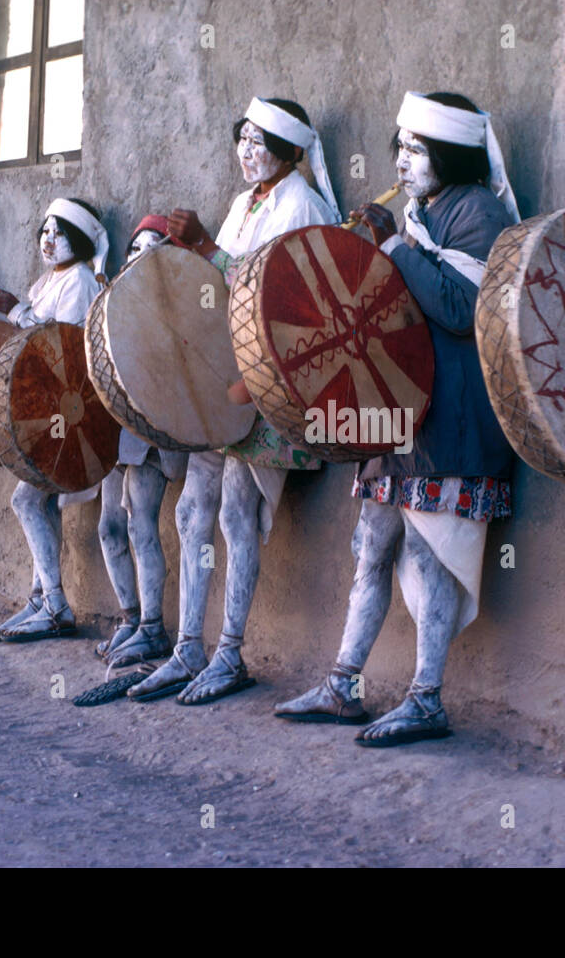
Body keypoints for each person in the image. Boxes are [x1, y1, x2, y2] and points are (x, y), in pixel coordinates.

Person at [274, 91, 520, 746]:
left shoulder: (480, 211)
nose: (403, 162)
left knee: (428, 552)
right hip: (398, 414)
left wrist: (396, 248)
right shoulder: (418, 213)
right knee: (371, 549)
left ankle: (427, 698)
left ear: (454, 154)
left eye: (417, 149)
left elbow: (459, 308)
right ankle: (344, 683)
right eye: (400, 148)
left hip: (451, 420)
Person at [124, 96, 340, 704]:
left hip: (270, 383)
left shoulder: (301, 204)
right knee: (192, 510)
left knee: (234, 513)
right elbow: (217, 289)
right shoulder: (248, 202)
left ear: (292, 151)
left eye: (260, 141)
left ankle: (229, 655)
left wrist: (203, 248)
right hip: (226, 381)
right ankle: (188, 647)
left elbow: (276, 290)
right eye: (241, 138)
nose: (246, 151)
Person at [0, 197, 109, 642]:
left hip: (69, 416)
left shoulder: (78, 281)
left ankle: (55, 603)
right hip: (48, 414)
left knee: (26, 499)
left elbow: (60, 349)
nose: (48, 240)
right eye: (44, 231)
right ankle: (40, 599)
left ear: (79, 240)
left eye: (59, 233)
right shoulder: (49, 281)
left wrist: (16, 310)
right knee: (42, 500)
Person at [93, 215, 188, 667]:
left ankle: (153, 628)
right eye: (134, 248)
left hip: (152, 430)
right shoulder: (114, 301)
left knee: (139, 524)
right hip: (119, 430)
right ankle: (129, 618)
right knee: (109, 527)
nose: (140, 255)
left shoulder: (176, 307)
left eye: (153, 246)